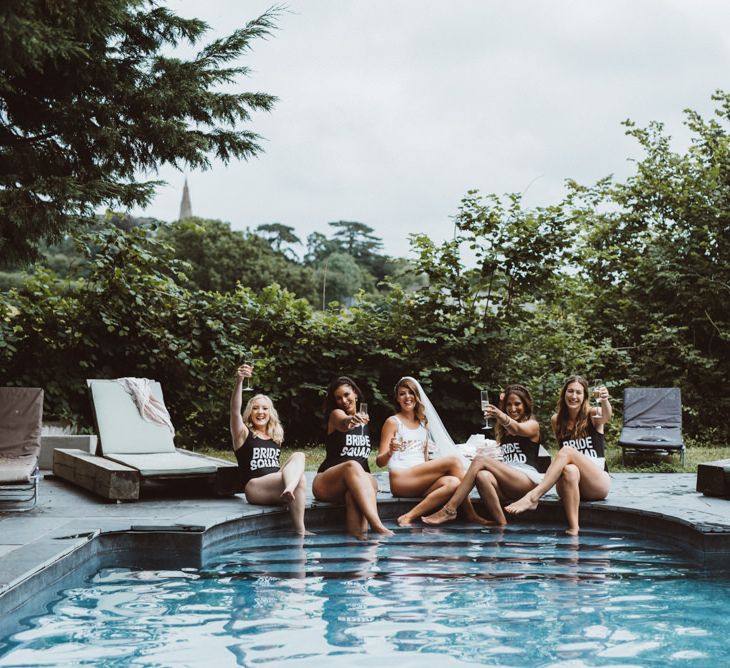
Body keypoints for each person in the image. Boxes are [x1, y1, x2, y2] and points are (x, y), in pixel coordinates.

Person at [422, 383, 543, 527]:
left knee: (480, 460)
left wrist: (500, 415)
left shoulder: (532, 425)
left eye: (517, 404)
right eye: (509, 404)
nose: (512, 408)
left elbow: (517, 429)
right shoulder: (503, 430)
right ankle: (501, 525)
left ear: (526, 405)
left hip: (525, 480)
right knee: (482, 476)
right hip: (508, 480)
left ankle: (450, 509)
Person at [505, 375, 612, 535]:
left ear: (585, 397)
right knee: (570, 470)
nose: (574, 396)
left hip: (595, 482)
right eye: (570, 391)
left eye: (578, 392)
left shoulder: (593, 414)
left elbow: (606, 415)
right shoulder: (557, 420)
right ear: (564, 394)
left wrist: (604, 400)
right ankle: (574, 527)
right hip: (571, 482)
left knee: (566, 451)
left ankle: (533, 497)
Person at [377, 377, 486, 526]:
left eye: (411, 393)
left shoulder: (423, 423)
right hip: (401, 479)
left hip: (418, 480)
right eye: (402, 394)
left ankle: (408, 516)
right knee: (453, 461)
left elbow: (424, 459)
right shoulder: (393, 422)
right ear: (397, 398)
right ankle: (470, 514)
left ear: (417, 396)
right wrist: (390, 451)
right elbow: (379, 462)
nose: (407, 397)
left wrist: (435, 471)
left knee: (453, 482)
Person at [230, 364, 310, 535]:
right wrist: (239, 381)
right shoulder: (243, 433)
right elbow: (234, 412)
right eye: (255, 408)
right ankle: (300, 527)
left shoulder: (276, 436)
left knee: (299, 456)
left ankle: (299, 528)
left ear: (270, 413)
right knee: (299, 480)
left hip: (275, 484)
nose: (260, 412)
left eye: (265, 408)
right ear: (250, 412)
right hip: (254, 487)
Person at [312, 376, 393, 539]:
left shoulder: (366, 422)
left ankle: (361, 550)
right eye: (338, 398)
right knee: (352, 465)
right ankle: (377, 525)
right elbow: (343, 423)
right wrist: (351, 420)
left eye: (347, 395)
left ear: (355, 393)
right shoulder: (336, 415)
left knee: (357, 490)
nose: (344, 400)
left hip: (358, 481)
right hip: (329, 481)